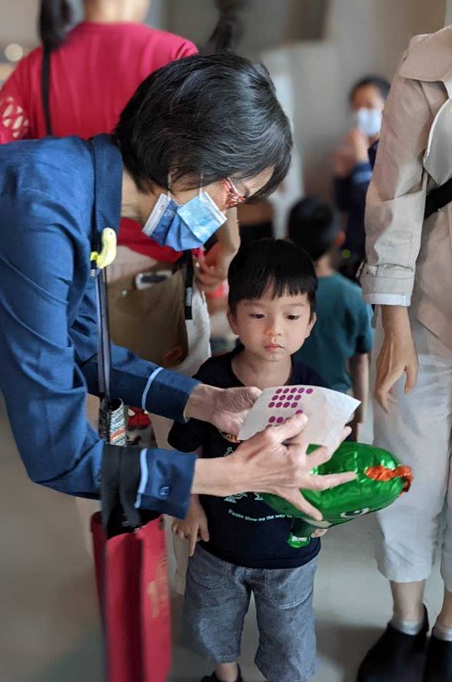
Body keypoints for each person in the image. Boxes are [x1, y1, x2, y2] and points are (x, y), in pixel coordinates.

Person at [0, 54, 355, 682]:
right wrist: (221, 474)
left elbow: (80, 341)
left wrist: (202, 402)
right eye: (234, 193)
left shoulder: (71, 188)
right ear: (185, 160)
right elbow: (59, 454)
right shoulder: (39, 215)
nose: (228, 214)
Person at [0, 0, 242, 447]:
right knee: (185, 428)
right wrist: (228, 241)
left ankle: (120, 520)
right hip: (162, 285)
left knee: (102, 445)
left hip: (72, 290)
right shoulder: (174, 54)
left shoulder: (39, 67)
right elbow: (215, 167)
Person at [168, 239, 341, 682]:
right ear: (233, 319)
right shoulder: (211, 380)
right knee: (212, 622)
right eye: (258, 315)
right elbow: (186, 446)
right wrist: (189, 504)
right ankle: (227, 676)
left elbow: (324, 469)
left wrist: (323, 517)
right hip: (216, 544)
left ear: (310, 323)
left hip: (289, 554)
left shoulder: (318, 394)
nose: (274, 331)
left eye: (291, 316)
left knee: (290, 637)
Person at [357, 26, 452, 682]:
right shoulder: (427, 62)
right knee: (402, 476)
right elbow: (393, 195)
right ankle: (405, 620)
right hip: (422, 313)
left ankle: (448, 627)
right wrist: (390, 323)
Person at [288, 196, 373, 440]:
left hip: (286, 405)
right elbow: (360, 362)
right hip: (336, 407)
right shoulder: (353, 296)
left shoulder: (280, 293)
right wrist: (360, 416)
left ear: (289, 236)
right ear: (339, 239)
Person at [332, 75, 390, 279]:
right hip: (354, 253)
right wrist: (340, 174)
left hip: (382, 258)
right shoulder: (352, 150)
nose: (362, 112)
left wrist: (361, 160)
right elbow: (343, 204)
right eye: (357, 106)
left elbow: (373, 204)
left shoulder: (393, 152)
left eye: (369, 105)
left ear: (387, 106)